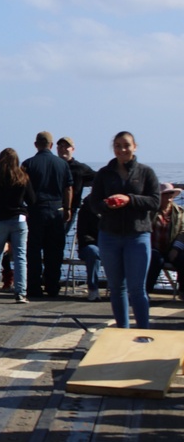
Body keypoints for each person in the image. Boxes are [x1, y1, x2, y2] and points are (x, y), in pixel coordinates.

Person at [90, 131, 160, 329]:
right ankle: (122, 331)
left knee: (137, 288)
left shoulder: (146, 172)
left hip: (137, 236)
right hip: (109, 236)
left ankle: (143, 332)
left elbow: (155, 201)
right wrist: (107, 205)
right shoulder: (104, 173)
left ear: (134, 147)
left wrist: (130, 199)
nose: (122, 149)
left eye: (126, 145)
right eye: (118, 146)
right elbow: (93, 204)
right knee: (116, 288)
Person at [0, 149, 36, 303]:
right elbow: (32, 199)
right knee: (20, 256)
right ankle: (20, 293)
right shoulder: (23, 177)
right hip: (19, 219)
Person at [22, 131, 73, 298]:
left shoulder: (28, 164)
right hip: (57, 210)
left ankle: (34, 287)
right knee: (55, 251)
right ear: (51, 145)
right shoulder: (62, 164)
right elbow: (68, 188)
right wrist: (68, 208)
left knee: (34, 251)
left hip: (36, 210)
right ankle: (52, 286)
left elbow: (22, 189)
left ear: (36, 145)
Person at [145, 182, 184, 295]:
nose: (169, 197)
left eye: (170, 194)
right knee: (156, 259)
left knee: (183, 259)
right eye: (165, 194)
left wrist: (176, 249)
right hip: (153, 248)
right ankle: (146, 291)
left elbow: (183, 232)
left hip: (172, 248)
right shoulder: (150, 212)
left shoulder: (180, 212)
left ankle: (182, 290)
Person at [57, 136, 95, 233]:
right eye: (60, 146)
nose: (63, 149)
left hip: (70, 209)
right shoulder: (53, 165)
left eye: (66, 146)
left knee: (61, 237)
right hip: (53, 207)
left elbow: (99, 178)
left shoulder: (80, 168)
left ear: (72, 149)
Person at [77, 193, 103, 302]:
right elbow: (83, 234)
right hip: (89, 246)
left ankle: (122, 290)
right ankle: (93, 289)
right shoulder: (86, 209)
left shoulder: (113, 208)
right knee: (93, 251)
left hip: (110, 245)